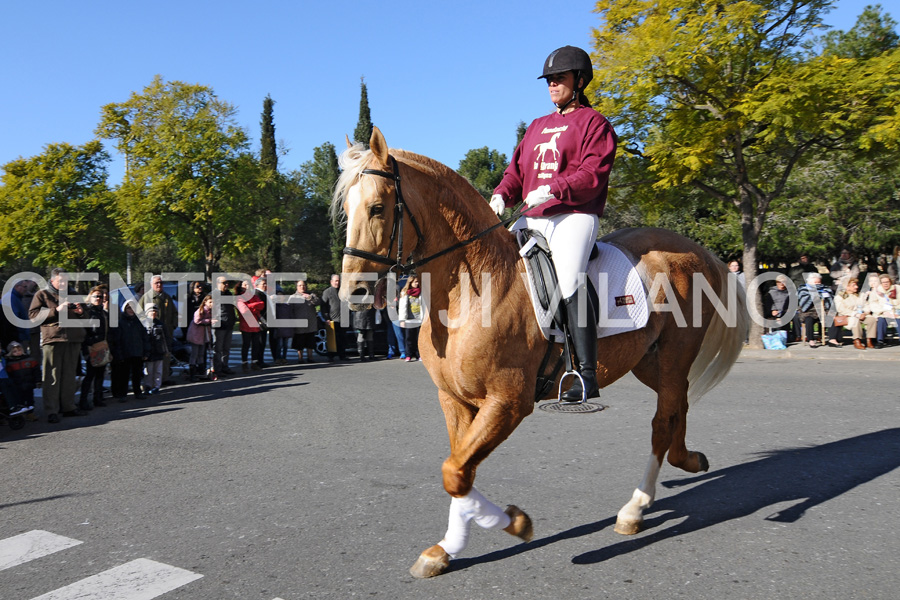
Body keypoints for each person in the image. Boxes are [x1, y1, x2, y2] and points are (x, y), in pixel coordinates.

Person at [490, 45, 617, 401]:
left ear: (579, 81)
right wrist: (502, 194)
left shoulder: (596, 124)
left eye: (559, 79)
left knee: (567, 277)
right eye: (549, 81)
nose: (552, 85)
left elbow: (594, 173)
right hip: (533, 216)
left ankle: (586, 374)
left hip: (573, 215)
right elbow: (515, 172)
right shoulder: (536, 126)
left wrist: (554, 188)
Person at [28, 268, 87, 423]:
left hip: (73, 339)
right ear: (52, 280)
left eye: (66, 280)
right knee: (52, 377)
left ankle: (68, 406)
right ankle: (51, 410)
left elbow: (86, 315)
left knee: (69, 376)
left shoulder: (73, 294)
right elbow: (33, 316)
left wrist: (81, 312)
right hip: (53, 338)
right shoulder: (42, 294)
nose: (64, 283)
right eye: (61, 281)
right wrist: (56, 310)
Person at [140, 275, 178, 384]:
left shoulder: (167, 297)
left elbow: (174, 313)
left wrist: (173, 325)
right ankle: (149, 382)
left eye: (161, 283)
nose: (159, 285)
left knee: (165, 355)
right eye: (156, 283)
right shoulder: (146, 297)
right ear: (151, 284)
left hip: (166, 333)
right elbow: (139, 314)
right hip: (152, 334)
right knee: (152, 360)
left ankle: (164, 378)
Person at [109, 301, 150, 400]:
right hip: (125, 352)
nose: (131, 311)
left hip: (137, 351)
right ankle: (123, 394)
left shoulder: (139, 322)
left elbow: (145, 338)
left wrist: (146, 351)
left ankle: (138, 392)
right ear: (125, 309)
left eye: (133, 309)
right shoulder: (120, 322)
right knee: (124, 375)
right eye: (129, 308)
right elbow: (117, 340)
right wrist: (118, 353)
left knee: (137, 374)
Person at [79, 286, 110, 409]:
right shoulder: (87, 312)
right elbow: (83, 331)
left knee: (100, 374)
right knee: (90, 375)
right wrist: (87, 347)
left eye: (100, 296)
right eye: (95, 296)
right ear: (90, 297)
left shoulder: (102, 312)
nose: (98, 298)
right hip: (91, 346)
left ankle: (98, 398)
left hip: (101, 346)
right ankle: (83, 401)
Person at [831, 278, 876, 350]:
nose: (856, 287)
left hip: (862, 314)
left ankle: (869, 339)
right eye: (853, 285)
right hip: (848, 316)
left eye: (856, 285)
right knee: (855, 320)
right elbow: (841, 309)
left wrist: (865, 313)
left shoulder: (860, 295)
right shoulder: (840, 296)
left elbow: (866, 305)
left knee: (872, 320)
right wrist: (856, 314)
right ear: (847, 287)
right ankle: (857, 340)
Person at [797, 273, 833, 348]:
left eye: (819, 282)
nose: (817, 285)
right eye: (815, 283)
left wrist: (825, 297)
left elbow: (830, 299)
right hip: (808, 311)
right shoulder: (804, 289)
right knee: (809, 320)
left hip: (822, 310)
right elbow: (803, 301)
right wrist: (814, 296)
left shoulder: (825, 289)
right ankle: (811, 340)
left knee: (831, 317)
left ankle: (833, 339)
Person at [236, 280, 266, 371]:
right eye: (245, 284)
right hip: (245, 324)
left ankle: (254, 362)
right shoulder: (239, 297)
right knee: (246, 345)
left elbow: (262, 305)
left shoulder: (254, 296)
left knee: (256, 345)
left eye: (248, 284)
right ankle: (244, 363)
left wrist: (249, 306)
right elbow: (243, 310)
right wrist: (254, 308)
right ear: (241, 286)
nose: (247, 286)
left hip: (255, 324)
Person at [143, 304, 171, 395]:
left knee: (158, 370)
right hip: (148, 351)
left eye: (155, 311)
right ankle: (147, 385)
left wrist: (167, 350)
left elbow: (165, 338)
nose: (153, 313)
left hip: (159, 350)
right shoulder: (143, 324)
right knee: (148, 370)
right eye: (151, 311)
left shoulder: (161, 325)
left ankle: (156, 386)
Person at [288, 279, 319, 364]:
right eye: (300, 285)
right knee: (299, 341)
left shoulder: (311, 295)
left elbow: (318, 302)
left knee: (310, 341)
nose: (302, 287)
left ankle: (310, 357)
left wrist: (310, 298)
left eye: (304, 285)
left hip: (310, 323)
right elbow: (290, 310)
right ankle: (300, 358)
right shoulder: (293, 297)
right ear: (297, 287)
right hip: (299, 323)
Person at [866, 274, 900, 348]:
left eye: (887, 282)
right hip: (882, 313)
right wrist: (883, 311)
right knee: (881, 320)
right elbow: (873, 304)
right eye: (883, 282)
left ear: (890, 282)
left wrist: (894, 312)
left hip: (896, 312)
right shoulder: (876, 291)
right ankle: (880, 341)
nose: (886, 284)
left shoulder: (897, 289)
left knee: (898, 319)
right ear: (880, 283)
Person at [5, 341, 40, 412]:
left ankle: (30, 413)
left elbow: (36, 371)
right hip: (17, 385)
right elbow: (9, 375)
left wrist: (38, 380)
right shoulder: (10, 363)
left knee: (30, 399)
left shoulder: (29, 360)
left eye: (19, 350)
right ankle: (22, 412)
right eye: (15, 351)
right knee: (20, 400)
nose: (18, 352)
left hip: (29, 383)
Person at [320, 274, 348, 361]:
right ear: (331, 282)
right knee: (332, 339)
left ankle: (342, 355)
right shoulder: (327, 292)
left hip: (343, 319)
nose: (337, 283)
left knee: (342, 338)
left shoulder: (343, 291)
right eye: (335, 281)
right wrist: (326, 318)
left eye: (338, 281)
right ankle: (331, 356)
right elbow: (323, 306)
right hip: (332, 320)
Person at [212, 276, 236, 375]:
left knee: (226, 348)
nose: (226, 285)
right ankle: (217, 369)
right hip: (219, 325)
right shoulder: (214, 295)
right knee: (218, 348)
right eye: (224, 283)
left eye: (227, 283)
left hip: (229, 324)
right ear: (217, 283)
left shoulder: (229, 294)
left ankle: (225, 366)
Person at [186, 294, 213, 381]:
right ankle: (192, 374)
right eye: (210, 302)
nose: (211, 304)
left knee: (201, 354)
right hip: (196, 335)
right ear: (205, 302)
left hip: (203, 335)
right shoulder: (200, 311)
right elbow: (197, 321)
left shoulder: (210, 311)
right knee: (194, 354)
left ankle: (201, 372)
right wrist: (209, 321)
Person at [398, 275, 423, 362]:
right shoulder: (405, 292)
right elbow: (402, 307)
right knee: (409, 338)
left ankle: (419, 355)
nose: (417, 283)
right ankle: (408, 355)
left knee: (418, 338)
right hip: (409, 319)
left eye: (418, 282)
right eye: (415, 282)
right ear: (410, 283)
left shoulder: (421, 292)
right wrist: (402, 320)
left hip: (419, 319)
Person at [763, 275, 795, 341]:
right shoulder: (771, 292)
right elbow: (768, 304)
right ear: (776, 283)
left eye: (784, 282)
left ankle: (792, 337)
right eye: (779, 282)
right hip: (774, 312)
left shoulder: (790, 292)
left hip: (785, 312)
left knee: (794, 317)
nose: (782, 284)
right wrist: (773, 310)